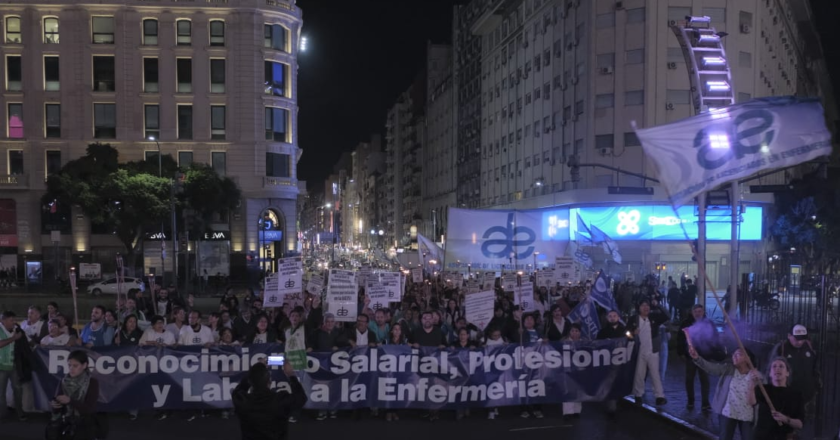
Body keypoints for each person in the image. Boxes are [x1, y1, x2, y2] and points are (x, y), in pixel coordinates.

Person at [688, 345, 760, 440]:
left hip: (747, 415)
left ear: (748, 358)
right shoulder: (728, 369)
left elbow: (760, 398)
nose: (734, 356)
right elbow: (711, 368)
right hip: (728, 413)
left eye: (738, 354)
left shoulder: (756, 376)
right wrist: (697, 358)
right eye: (733, 354)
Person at [232, 361, 307, 440]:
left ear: (250, 381)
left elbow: (239, 389)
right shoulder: (280, 400)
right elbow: (301, 398)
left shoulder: (242, 401)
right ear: (270, 382)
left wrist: (255, 370)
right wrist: (291, 374)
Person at [49, 350, 102, 440]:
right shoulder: (63, 381)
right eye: (69, 365)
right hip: (66, 422)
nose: (71, 368)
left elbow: (89, 409)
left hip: (84, 424)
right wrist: (55, 405)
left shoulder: (92, 382)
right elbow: (57, 408)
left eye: (75, 366)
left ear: (84, 365)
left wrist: (70, 401)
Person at [626, 299, 669, 405]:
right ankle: (638, 394)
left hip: (653, 350)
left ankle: (659, 396)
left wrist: (658, 305)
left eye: (647, 305)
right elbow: (626, 333)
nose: (646, 307)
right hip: (639, 350)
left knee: (655, 374)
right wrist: (632, 333)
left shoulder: (654, 317)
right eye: (643, 305)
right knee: (639, 373)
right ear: (639, 308)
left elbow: (667, 316)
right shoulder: (634, 319)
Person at [678, 304, 719, 411]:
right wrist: (682, 352)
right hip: (690, 356)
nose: (698, 313)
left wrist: (713, 352)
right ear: (692, 312)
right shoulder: (686, 323)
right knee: (689, 379)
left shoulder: (709, 323)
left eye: (700, 311)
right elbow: (680, 338)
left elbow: (715, 338)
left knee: (705, 379)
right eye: (695, 311)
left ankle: (705, 402)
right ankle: (690, 400)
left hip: (705, 356)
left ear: (703, 312)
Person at [769, 324, 820, 413]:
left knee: (803, 421)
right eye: (796, 339)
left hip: (807, 394)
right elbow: (771, 370)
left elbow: (815, 367)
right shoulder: (781, 348)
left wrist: (816, 384)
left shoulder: (809, 347)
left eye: (802, 339)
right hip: (788, 394)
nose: (800, 342)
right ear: (789, 336)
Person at [752, 357, 804, 440]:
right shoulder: (762, 389)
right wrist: (752, 383)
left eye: (781, 366)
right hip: (762, 436)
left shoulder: (796, 394)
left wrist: (786, 419)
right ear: (770, 373)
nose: (777, 369)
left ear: (787, 373)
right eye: (774, 366)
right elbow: (751, 402)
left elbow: (800, 424)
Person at [0, 310, 29, 421]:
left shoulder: (17, 330)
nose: (14, 322)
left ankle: (19, 411)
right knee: (1, 393)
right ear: (3, 320)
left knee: (18, 389)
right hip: (1, 366)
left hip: (14, 365)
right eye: (11, 320)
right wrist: (14, 338)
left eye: (14, 320)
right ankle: (2, 414)